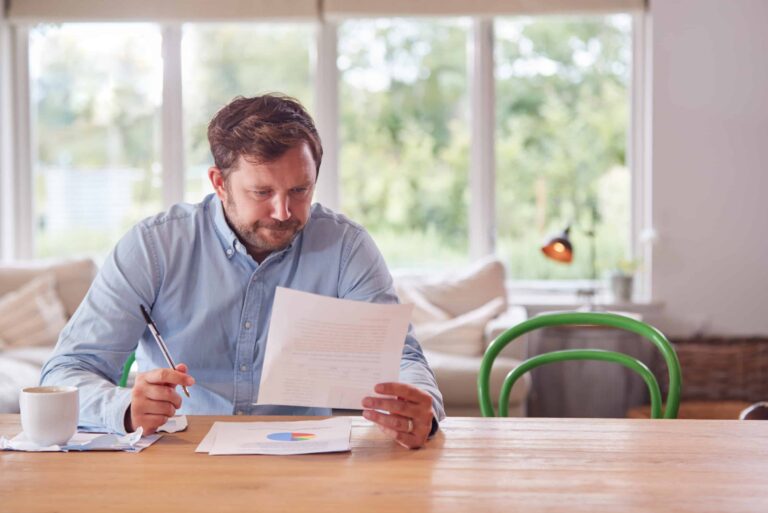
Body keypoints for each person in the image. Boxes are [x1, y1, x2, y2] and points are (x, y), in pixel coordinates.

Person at [41, 94, 444, 449]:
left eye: (300, 190)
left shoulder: (346, 247)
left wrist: (419, 408)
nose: (284, 212)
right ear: (219, 183)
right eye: (262, 192)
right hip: (178, 459)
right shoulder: (153, 247)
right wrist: (126, 407)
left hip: (306, 462)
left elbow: (402, 359)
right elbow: (65, 372)